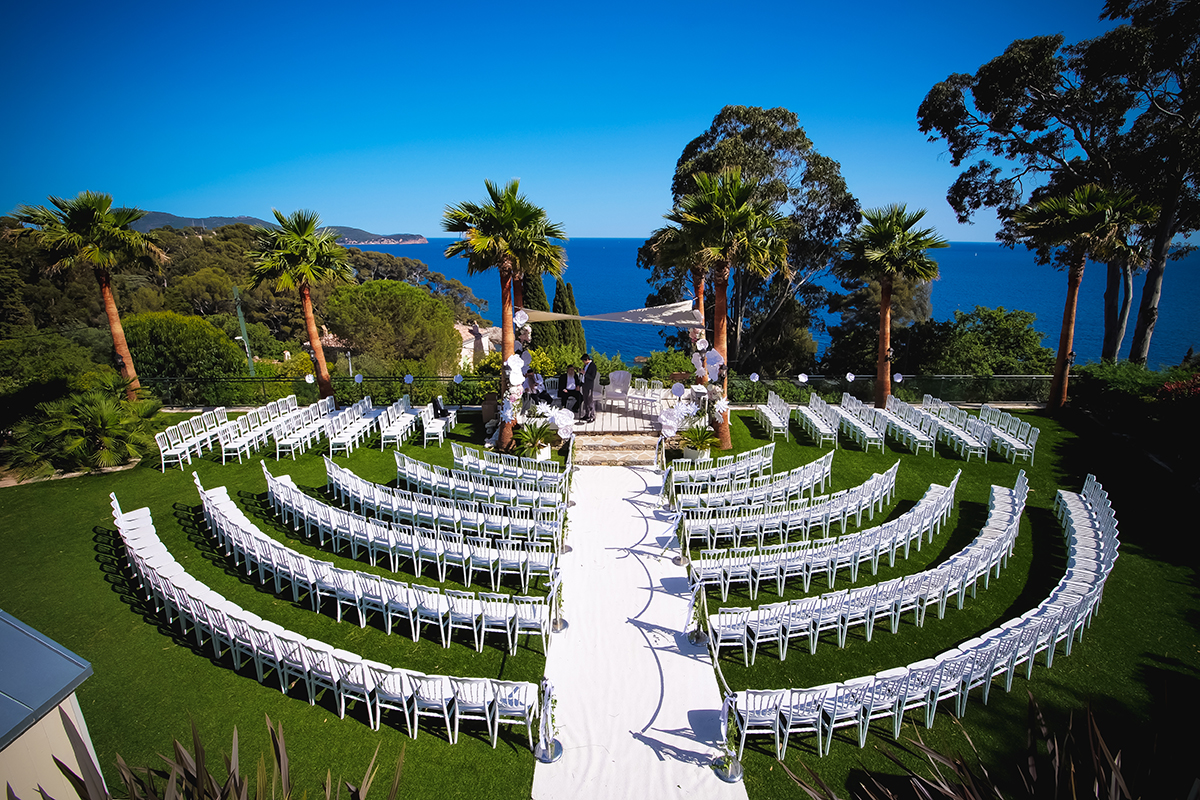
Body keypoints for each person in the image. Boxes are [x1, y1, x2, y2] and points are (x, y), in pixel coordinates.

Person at [580, 352, 598, 422]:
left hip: (589, 386)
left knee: (590, 401)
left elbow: (592, 377)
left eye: (584, 361)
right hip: (584, 385)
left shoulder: (593, 366)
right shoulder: (585, 366)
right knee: (585, 400)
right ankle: (587, 414)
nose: (583, 362)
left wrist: (585, 373)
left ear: (587, 359)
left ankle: (592, 416)